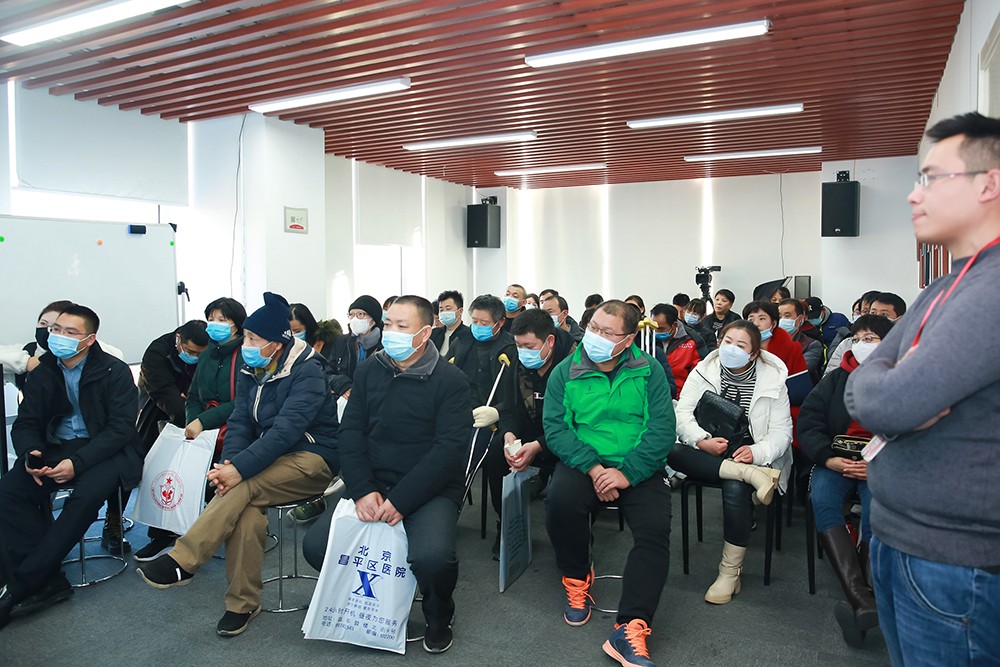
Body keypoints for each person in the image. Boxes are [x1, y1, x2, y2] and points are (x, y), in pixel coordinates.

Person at [845, 112, 1000, 666]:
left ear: (989, 183)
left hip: (956, 559)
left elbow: (892, 402)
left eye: (932, 179)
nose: (914, 196)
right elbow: (865, 382)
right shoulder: (947, 285)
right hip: (904, 537)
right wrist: (885, 381)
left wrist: (889, 384)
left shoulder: (991, 289)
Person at [137, 292, 338, 637]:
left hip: (313, 457)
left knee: (244, 484)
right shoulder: (252, 368)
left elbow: (286, 431)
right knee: (245, 507)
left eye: (253, 339)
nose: (246, 345)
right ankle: (241, 604)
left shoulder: (308, 372)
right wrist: (230, 463)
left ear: (277, 343)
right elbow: (241, 421)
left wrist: (237, 470)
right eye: (245, 337)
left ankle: (184, 559)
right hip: (265, 457)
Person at [305, 295, 472, 654]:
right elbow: (351, 432)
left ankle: (439, 615)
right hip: (373, 480)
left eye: (402, 326)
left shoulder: (451, 380)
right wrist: (363, 489)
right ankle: (375, 602)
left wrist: (401, 500)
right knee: (317, 547)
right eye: (389, 324)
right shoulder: (370, 370)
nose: (391, 332)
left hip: (429, 488)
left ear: (424, 333)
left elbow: (447, 451)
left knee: (432, 559)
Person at [542, 300, 674, 667]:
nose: (595, 337)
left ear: (628, 339)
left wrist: (627, 473)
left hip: (638, 464)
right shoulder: (565, 371)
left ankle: (631, 626)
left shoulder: (648, 370)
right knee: (559, 502)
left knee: (654, 531)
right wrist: (594, 468)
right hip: (585, 462)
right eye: (593, 328)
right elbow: (556, 428)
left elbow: (662, 429)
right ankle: (576, 577)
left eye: (607, 332)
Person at [0, 304, 143, 629]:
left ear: (89, 339)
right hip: (56, 447)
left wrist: (76, 464)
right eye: (56, 330)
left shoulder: (114, 371)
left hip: (108, 451)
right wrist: (30, 454)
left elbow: (120, 430)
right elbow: (25, 423)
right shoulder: (44, 371)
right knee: (8, 492)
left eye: (70, 332)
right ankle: (49, 579)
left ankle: (18, 587)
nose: (59, 337)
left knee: (84, 500)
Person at [669, 321, 792, 605]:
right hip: (709, 448)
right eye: (727, 341)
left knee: (735, 488)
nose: (731, 348)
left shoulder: (773, 379)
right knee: (670, 451)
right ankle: (749, 475)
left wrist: (755, 453)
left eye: (740, 345)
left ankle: (729, 572)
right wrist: (701, 440)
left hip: (750, 451)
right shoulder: (704, 369)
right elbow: (682, 413)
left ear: (753, 354)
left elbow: (782, 433)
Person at [799, 315, 893, 648]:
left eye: (871, 338)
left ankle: (861, 601)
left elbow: (909, 431)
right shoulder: (835, 379)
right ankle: (862, 597)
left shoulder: (900, 381)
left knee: (877, 508)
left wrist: (878, 465)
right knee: (822, 499)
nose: (861, 344)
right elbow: (808, 423)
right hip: (835, 461)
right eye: (857, 338)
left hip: (879, 466)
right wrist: (827, 457)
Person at [133, 320, 210, 561]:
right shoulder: (157, 352)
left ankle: (201, 526)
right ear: (178, 339)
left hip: (201, 412)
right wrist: (192, 418)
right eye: (191, 352)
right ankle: (160, 533)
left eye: (200, 354)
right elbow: (164, 393)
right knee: (159, 470)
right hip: (159, 411)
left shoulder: (212, 350)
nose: (195, 357)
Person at [459, 294, 516, 557]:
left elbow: (518, 396)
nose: (477, 327)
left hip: (500, 420)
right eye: (474, 321)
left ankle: (505, 524)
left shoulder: (511, 349)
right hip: (466, 414)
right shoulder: (464, 342)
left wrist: (497, 412)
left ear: (500, 322)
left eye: (484, 322)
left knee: (494, 457)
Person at [322, 295, 384, 397]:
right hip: (345, 397)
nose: (355, 319)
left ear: (373, 320)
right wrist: (343, 386)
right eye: (351, 315)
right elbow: (328, 372)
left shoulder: (384, 344)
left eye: (360, 314)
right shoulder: (342, 342)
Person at [649, 303, 701, 394]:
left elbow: (698, 374)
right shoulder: (646, 341)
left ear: (674, 325)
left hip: (681, 394)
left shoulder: (691, 342)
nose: (656, 332)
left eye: (661, 329)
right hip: (653, 393)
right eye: (653, 328)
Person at [777, 298, 826, 382]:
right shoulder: (769, 341)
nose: (782, 320)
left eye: (787, 316)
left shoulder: (811, 345)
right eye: (779, 317)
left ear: (800, 319)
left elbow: (801, 370)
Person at [429, 289, 472, 360]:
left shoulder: (468, 335)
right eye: (441, 310)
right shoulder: (434, 333)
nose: (444, 312)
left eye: (448, 309)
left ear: (460, 311)